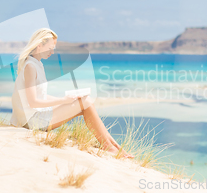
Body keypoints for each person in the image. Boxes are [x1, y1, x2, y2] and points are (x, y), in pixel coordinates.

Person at [11, 28, 133, 158]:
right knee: (85, 102)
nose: (52, 52)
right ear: (39, 46)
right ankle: (109, 146)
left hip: (34, 116)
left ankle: (113, 145)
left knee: (83, 102)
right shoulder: (31, 66)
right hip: (32, 121)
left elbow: (40, 95)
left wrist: (67, 99)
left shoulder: (36, 64)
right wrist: (63, 101)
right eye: (50, 48)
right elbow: (33, 101)